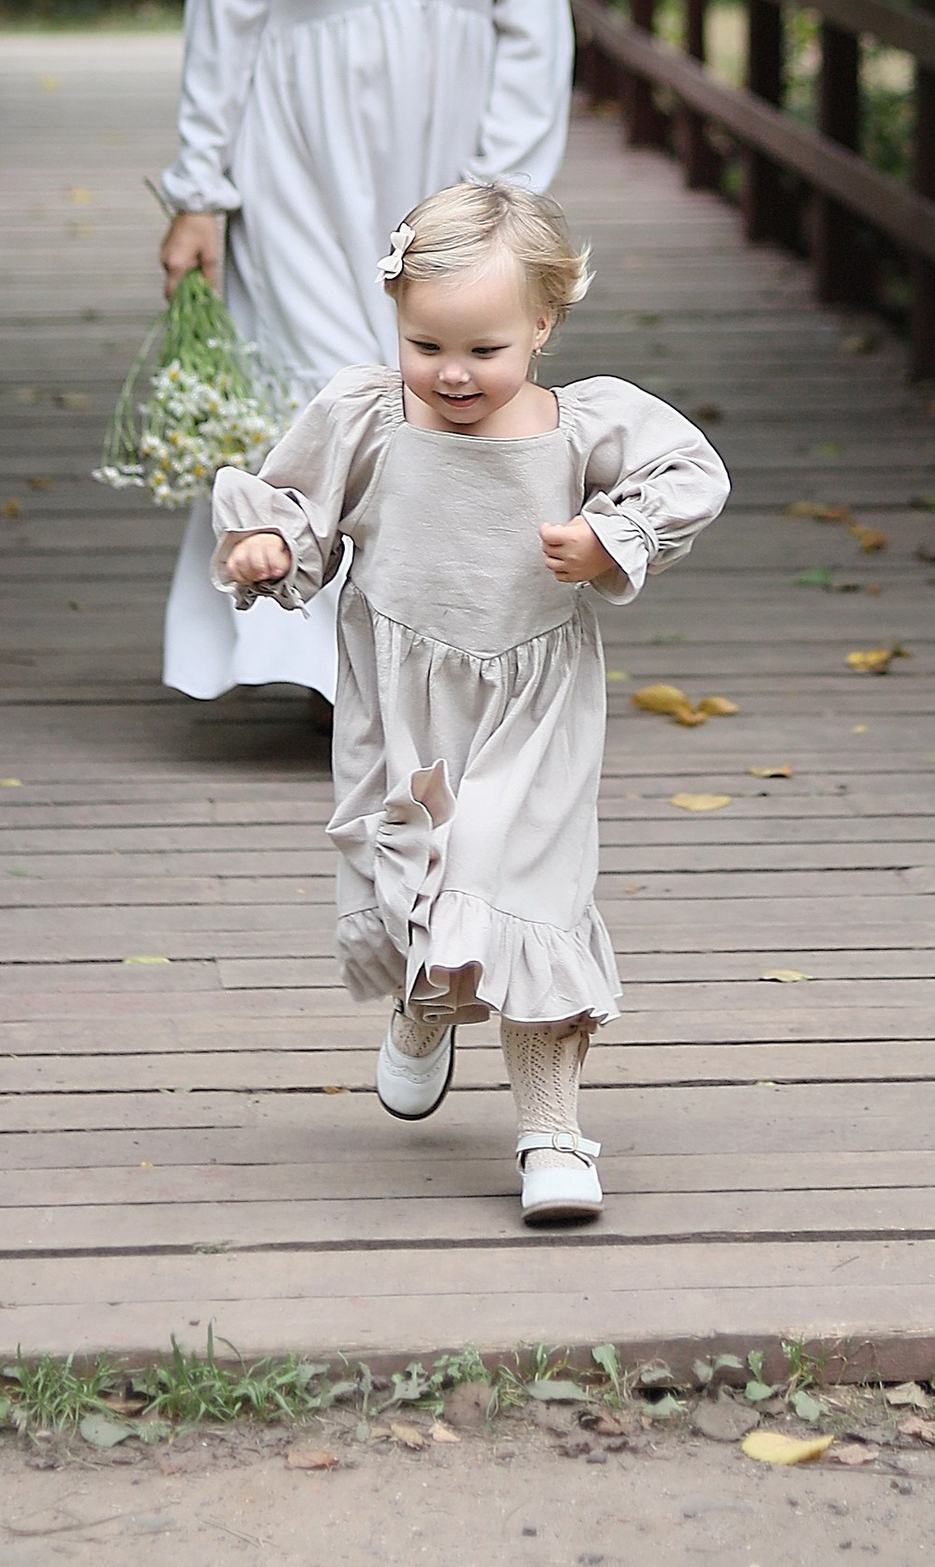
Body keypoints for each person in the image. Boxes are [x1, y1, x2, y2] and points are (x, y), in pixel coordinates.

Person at [209, 178, 729, 1226]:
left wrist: (609, 535)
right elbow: (300, 508)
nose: (452, 374)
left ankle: (550, 1133)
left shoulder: (582, 428)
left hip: (533, 702)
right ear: (396, 321)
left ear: (542, 324)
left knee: (525, 894)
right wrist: (271, 545)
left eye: (484, 350)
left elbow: (690, 473)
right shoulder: (366, 416)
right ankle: (423, 1004)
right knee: (424, 884)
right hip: (402, 707)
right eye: (426, 345)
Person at [154, 0, 573, 707]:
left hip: (451, 167)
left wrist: (505, 206)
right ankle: (320, 672)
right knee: (316, 388)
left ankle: (431, 661)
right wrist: (200, 192)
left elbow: (533, 21)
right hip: (292, 161)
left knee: (443, 396)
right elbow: (222, 14)